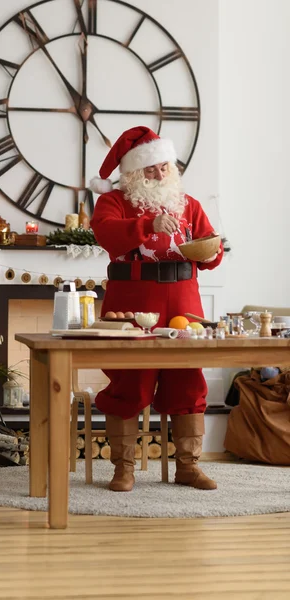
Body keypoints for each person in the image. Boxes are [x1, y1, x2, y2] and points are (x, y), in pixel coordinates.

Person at [90, 126, 223, 493]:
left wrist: (213, 252)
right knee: (129, 381)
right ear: (133, 173)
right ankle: (124, 469)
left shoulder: (188, 204)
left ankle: (189, 466)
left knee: (188, 381)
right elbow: (106, 235)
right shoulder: (113, 202)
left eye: (164, 166)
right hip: (133, 303)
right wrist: (148, 224)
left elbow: (210, 244)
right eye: (150, 169)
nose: (160, 174)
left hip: (184, 301)